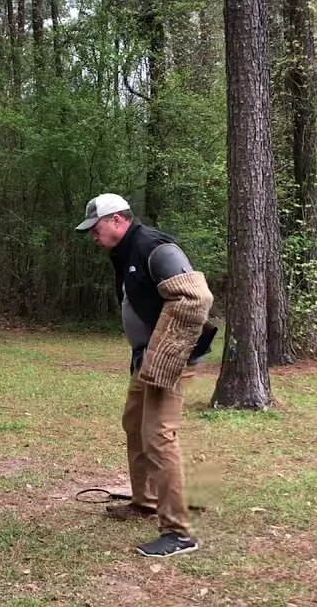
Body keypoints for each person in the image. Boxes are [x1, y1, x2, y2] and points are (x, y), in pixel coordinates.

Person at [76, 193, 214, 558]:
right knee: (134, 422)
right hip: (145, 360)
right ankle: (145, 500)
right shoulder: (125, 252)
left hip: (169, 362)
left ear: (118, 220)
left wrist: (164, 354)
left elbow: (195, 298)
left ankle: (180, 532)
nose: (93, 235)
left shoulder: (156, 248)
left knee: (158, 437)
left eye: (97, 227)